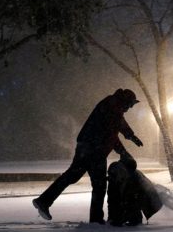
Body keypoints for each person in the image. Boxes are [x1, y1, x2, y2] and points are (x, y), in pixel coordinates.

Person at [32, 89, 143, 224]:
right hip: (94, 151)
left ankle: (44, 201)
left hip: (87, 148)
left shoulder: (112, 105)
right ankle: (95, 219)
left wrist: (131, 136)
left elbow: (120, 124)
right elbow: (111, 135)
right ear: (125, 101)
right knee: (99, 185)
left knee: (71, 177)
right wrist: (123, 152)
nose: (129, 108)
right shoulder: (111, 108)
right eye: (130, 105)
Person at [107, 158, 163, 227]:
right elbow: (111, 201)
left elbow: (132, 200)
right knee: (120, 204)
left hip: (145, 197)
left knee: (131, 203)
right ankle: (128, 218)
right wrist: (112, 218)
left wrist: (123, 218)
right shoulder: (113, 179)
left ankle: (135, 220)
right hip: (134, 196)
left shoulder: (135, 179)